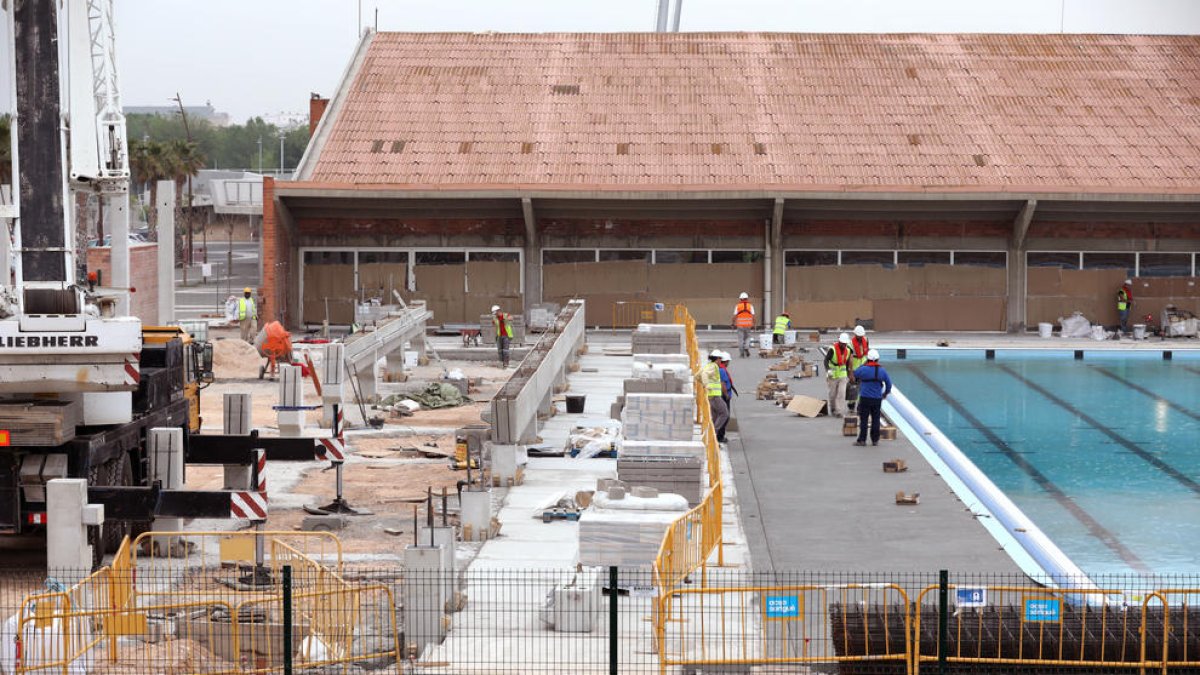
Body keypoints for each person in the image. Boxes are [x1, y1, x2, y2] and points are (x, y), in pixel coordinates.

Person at [852, 349, 892, 447]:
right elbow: (889, 384)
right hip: (877, 399)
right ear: (877, 359)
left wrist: (863, 364)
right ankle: (875, 440)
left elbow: (855, 373)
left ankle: (862, 440)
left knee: (864, 419)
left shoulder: (863, 369)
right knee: (876, 419)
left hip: (865, 398)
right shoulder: (882, 370)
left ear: (868, 359)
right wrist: (885, 393)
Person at [700, 349, 729, 442]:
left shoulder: (709, 365)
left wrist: (704, 384)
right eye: (720, 358)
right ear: (718, 359)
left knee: (715, 416)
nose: (721, 360)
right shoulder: (714, 366)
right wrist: (706, 385)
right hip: (714, 395)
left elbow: (698, 375)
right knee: (724, 413)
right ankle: (713, 434)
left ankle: (710, 437)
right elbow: (703, 374)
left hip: (711, 395)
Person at [823, 332, 853, 418]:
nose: (844, 345)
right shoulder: (832, 350)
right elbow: (826, 360)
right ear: (839, 342)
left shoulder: (848, 350)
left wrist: (849, 373)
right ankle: (833, 409)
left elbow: (847, 363)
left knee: (842, 393)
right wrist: (828, 370)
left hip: (842, 375)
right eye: (842, 343)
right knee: (832, 394)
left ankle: (839, 411)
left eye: (845, 343)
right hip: (832, 374)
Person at [716, 351, 738, 442]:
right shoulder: (722, 370)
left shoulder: (721, 369)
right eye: (728, 361)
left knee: (723, 416)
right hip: (723, 396)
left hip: (723, 395)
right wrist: (726, 395)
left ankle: (720, 435)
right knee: (725, 416)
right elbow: (723, 384)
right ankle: (719, 436)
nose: (729, 363)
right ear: (725, 361)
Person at [731, 292, 756, 357]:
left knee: (740, 339)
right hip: (748, 324)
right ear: (747, 298)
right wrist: (754, 325)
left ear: (740, 299)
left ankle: (741, 353)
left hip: (740, 325)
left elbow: (734, 316)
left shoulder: (738, 306)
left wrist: (733, 324)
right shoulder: (751, 306)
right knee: (748, 337)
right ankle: (746, 347)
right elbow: (753, 316)